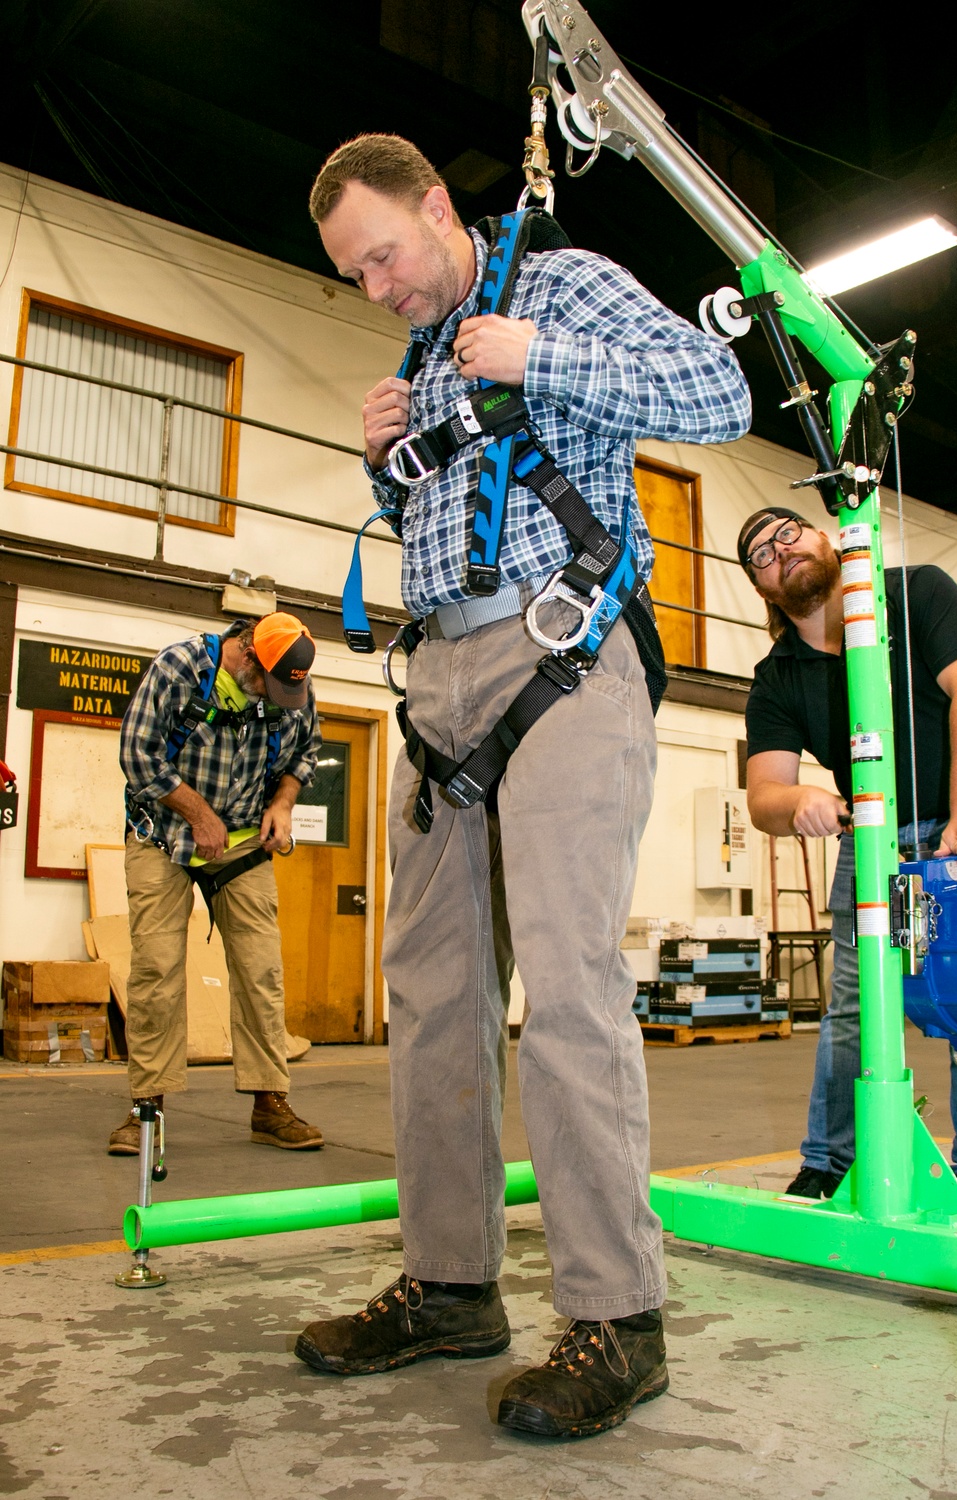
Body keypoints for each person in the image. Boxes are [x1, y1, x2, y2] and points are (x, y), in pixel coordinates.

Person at [293, 133, 751, 1440]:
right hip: (441, 676)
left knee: (568, 984)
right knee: (431, 995)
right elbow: (446, 504)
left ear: (441, 207)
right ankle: (450, 1284)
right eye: (353, 272)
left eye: (384, 254)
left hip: (563, 652)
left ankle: (620, 1317)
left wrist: (540, 357)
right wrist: (386, 456)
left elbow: (717, 395)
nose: (375, 286)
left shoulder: (564, 285)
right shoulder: (421, 352)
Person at [740, 506, 957, 1216]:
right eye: (760, 554)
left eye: (789, 531)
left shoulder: (917, 593)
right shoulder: (777, 677)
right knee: (855, 1008)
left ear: (828, 538)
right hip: (873, 839)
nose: (780, 550)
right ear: (762, 591)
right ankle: (831, 1166)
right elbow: (762, 791)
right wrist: (796, 803)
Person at [109, 612, 324, 1155]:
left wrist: (282, 803)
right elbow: (138, 756)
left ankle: (269, 1102)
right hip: (165, 835)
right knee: (157, 968)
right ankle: (147, 1109)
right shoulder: (179, 668)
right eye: (268, 685)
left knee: (261, 970)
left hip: (245, 839)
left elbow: (306, 751)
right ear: (247, 653)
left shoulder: (292, 681)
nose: (277, 697)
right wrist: (199, 814)